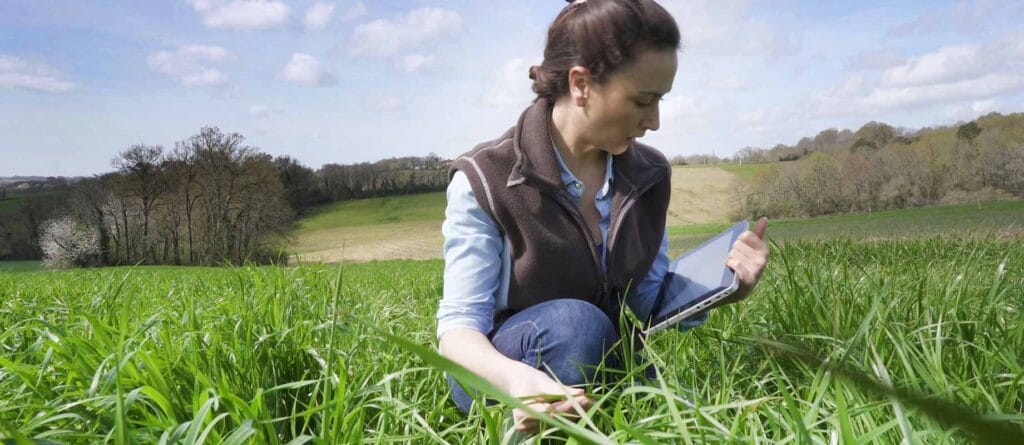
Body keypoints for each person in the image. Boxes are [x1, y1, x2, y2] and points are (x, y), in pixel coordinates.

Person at [436, 0, 769, 434]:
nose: (655, 121)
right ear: (581, 84)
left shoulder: (649, 175)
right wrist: (516, 382)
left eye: (660, 100)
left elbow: (645, 302)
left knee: (702, 419)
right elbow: (459, 331)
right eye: (642, 101)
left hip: (602, 357)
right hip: (494, 371)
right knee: (579, 326)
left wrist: (726, 287)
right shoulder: (485, 178)